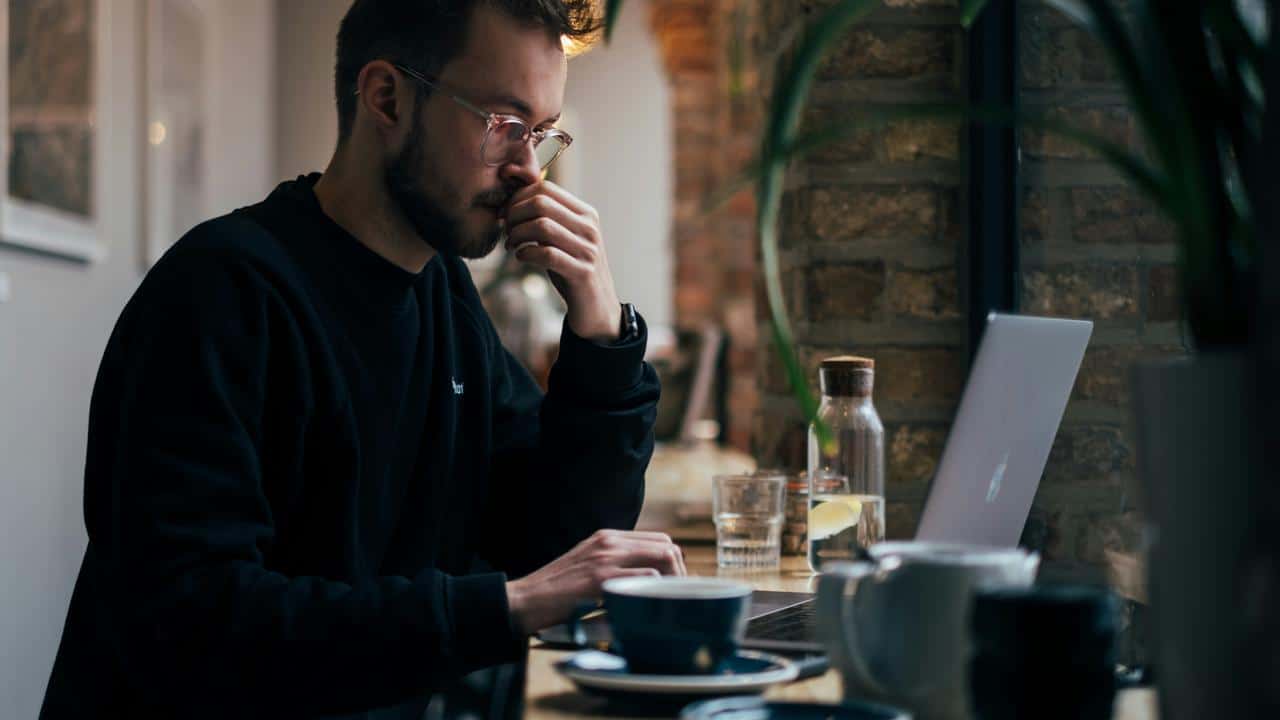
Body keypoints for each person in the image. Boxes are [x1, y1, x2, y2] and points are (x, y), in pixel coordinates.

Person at [39, 0, 685, 716]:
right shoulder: (220, 293)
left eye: (540, 133)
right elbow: (198, 624)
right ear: (387, 97)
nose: (528, 171)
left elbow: (554, 541)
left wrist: (599, 329)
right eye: (504, 124)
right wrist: (498, 609)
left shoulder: (444, 297)